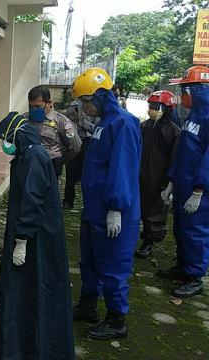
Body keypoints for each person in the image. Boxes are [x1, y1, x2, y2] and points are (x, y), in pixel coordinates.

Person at [0, 112, 75, 360]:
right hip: (31, 234)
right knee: (25, 288)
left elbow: (32, 200)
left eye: (4, 140)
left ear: (15, 136)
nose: (3, 145)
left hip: (36, 237)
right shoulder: (27, 153)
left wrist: (22, 240)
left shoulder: (34, 158)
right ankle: (20, 341)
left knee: (33, 287)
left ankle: (29, 346)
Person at [71, 68, 142, 340]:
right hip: (95, 208)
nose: (85, 108)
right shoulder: (104, 121)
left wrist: (115, 206)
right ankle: (88, 304)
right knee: (89, 259)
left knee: (113, 265)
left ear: (101, 96)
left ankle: (116, 319)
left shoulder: (122, 123)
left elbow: (122, 167)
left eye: (87, 102)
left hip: (114, 210)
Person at [159, 66, 209, 298]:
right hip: (183, 184)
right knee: (181, 229)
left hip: (199, 189)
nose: (183, 94)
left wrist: (200, 190)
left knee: (195, 232)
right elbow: (182, 152)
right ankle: (183, 266)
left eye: (186, 89)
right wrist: (171, 180)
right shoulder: (193, 116)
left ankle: (195, 277)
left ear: (199, 90)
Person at [135, 90, 180, 259]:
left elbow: (174, 159)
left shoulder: (174, 132)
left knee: (155, 212)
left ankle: (149, 242)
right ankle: (137, 235)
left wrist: (168, 183)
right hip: (141, 176)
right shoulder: (144, 127)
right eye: (151, 106)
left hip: (159, 179)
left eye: (156, 106)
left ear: (166, 108)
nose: (152, 109)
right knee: (138, 209)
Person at [26, 85, 82, 178]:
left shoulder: (62, 122)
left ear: (49, 103)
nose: (34, 109)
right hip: (28, 167)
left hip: (50, 169)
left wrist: (59, 161)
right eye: (31, 106)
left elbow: (75, 147)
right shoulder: (25, 119)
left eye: (37, 106)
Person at [63, 101, 97, 209]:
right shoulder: (71, 109)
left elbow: (95, 128)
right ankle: (68, 200)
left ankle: (87, 202)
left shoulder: (94, 110)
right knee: (70, 174)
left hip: (87, 143)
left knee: (86, 175)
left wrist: (83, 122)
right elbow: (65, 127)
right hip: (72, 144)